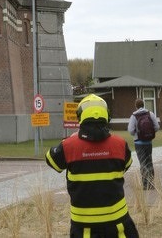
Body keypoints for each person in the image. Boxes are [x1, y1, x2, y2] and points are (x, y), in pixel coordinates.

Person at [45, 93, 139, 238]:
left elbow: (51, 160)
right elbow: (125, 166)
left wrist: (70, 140)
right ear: (106, 117)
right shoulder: (120, 144)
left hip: (83, 226)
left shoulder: (69, 146)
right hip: (118, 223)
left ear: (80, 117)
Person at [128, 99, 160, 189]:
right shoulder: (150, 114)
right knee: (149, 162)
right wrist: (149, 133)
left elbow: (130, 130)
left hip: (138, 143)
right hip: (148, 142)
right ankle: (151, 183)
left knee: (143, 163)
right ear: (143, 104)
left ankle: (145, 184)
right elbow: (157, 127)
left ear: (136, 106)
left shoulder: (134, 116)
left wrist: (136, 133)